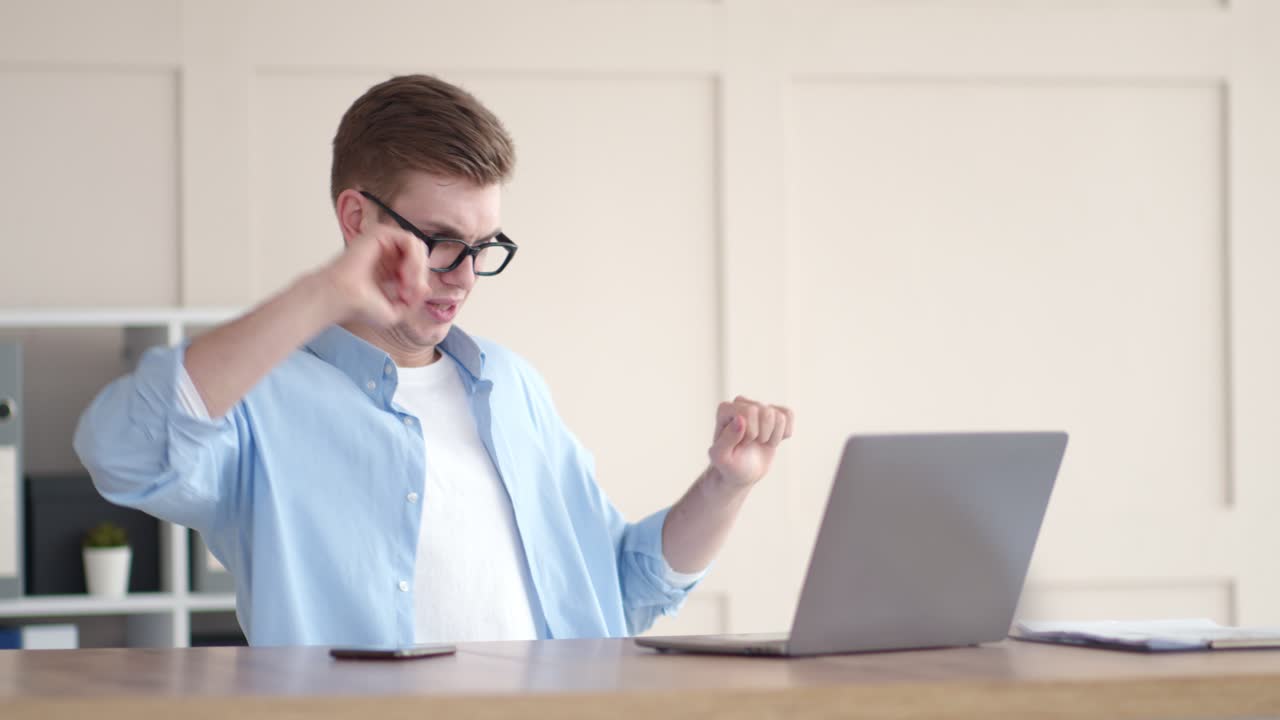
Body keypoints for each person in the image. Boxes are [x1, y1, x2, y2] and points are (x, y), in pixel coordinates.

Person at [74, 74, 793, 647]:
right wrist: (324, 291)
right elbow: (123, 451)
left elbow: (621, 588)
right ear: (358, 219)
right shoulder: (259, 400)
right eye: (442, 240)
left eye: (484, 247)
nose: (465, 276)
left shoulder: (511, 386)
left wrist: (726, 485)